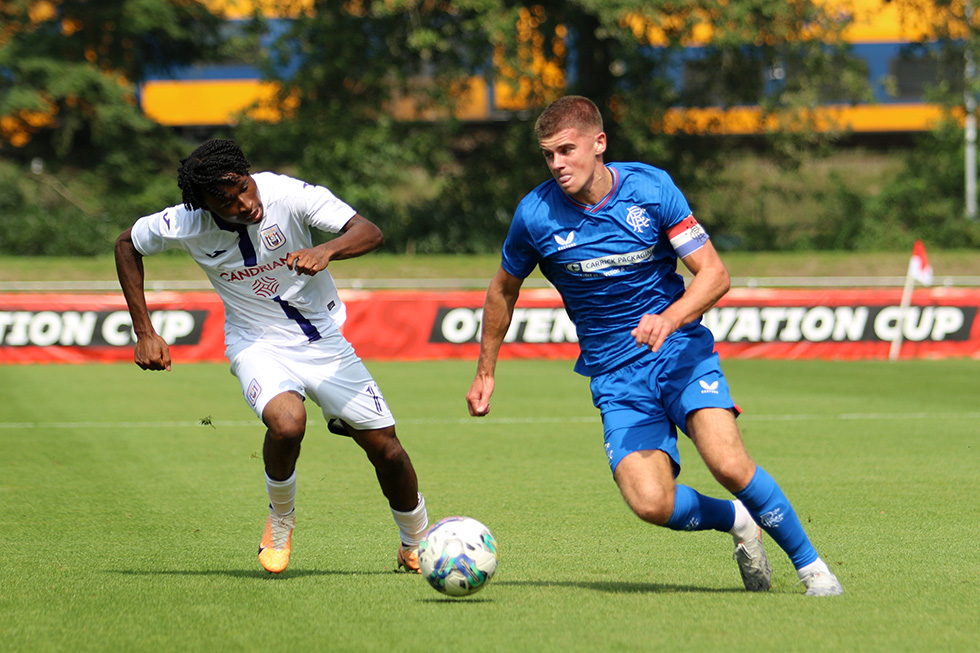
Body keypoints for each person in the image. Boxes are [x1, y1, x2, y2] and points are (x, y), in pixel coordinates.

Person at [466, 96, 843, 596]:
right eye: (548, 155)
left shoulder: (651, 188)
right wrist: (486, 370)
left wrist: (669, 319)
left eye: (566, 150)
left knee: (729, 464)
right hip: (615, 376)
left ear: (599, 144)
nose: (557, 164)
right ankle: (738, 521)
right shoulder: (535, 216)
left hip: (680, 350)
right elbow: (502, 291)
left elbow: (714, 275)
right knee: (650, 503)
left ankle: (813, 569)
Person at [115, 138, 429, 575]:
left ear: (249, 174)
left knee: (387, 450)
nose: (244, 204)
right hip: (255, 341)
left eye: (244, 188)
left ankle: (415, 542)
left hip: (323, 339)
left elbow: (369, 231)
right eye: (225, 201)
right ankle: (280, 522)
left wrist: (326, 249)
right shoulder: (184, 223)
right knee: (286, 424)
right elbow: (127, 244)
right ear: (203, 204)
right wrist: (145, 331)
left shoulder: (287, 194)